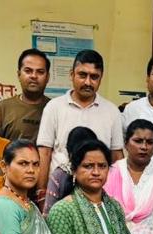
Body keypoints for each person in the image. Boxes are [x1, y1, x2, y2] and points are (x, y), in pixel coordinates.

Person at [37, 50, 124, 211]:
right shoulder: (54, 107)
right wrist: (42, 192)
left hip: (99, 195)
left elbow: (117, 157)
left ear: (101, 78)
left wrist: (118, 196)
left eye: (94, 77)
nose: (88, 82)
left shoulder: (112, 111)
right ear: (72, 74)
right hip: (59, 191)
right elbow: (45, 152)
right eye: (82, 75)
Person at [0, 49, 51, 143]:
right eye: (28, 71)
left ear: (47, 77)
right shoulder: (2, 108)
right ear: (19, 75)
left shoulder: (55, 108)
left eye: (40, 72)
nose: (34, 76)